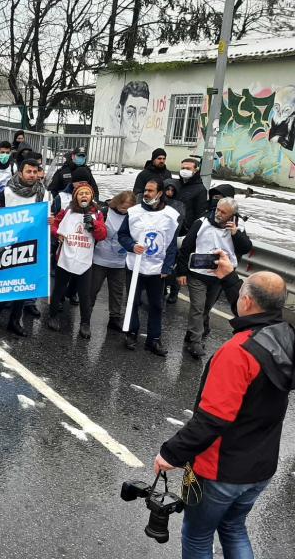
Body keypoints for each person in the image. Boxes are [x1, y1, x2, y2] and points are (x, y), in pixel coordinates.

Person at [154, 255, 291, 559]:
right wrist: (231, 280)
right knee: (233, 528)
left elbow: (212, 419)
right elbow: (256, 315)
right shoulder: (284, 336)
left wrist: (170, 454)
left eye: (242, 294)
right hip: (261, 467)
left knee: (198, 535)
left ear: (248, 302)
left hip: (222, 470)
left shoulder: (237, 354)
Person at [177, 197, 252, 359]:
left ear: (232, 215)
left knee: (205, 308)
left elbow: (246, 248)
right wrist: (181, 272)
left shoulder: (238, 227)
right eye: (217, 209)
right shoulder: (202, 222)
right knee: (197, 306)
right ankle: (195, 342)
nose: (218, 213)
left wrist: (236, 234)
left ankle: (192, 333)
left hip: (220, 276)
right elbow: (186, 247)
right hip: (198, 274)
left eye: (223, 212)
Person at [118, 179, 181, 356]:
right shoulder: (133, 212)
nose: (146, 193)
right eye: (145, 190)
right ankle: (131, 333)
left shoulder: (171, 215)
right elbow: (122, 235)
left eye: (151, 191)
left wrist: (167, 267)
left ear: (160, 193)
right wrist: (131, 246)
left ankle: (153, 339)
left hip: (157, 269)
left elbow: (171, 244)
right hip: (135, 266)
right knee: (133, 301)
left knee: (156, 305)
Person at [0, 159, 48, 335]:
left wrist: (49, 220)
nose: (32, 175)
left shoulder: (43, 193)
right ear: (20, 173)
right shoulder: (7, 192)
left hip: (30, 245)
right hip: (8, 245)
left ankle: (15, 320)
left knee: (23, 283)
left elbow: (47, 216)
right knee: (5, 282)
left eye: (35, 172)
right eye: (29, 171)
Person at [48, 181, 107, 338]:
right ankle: (53, 316)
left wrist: (94, 225)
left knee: (84, 294)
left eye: (87, 193)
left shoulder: (97, 214)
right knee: (59, 289)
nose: (84, 196)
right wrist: (57, 233)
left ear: (91, 196)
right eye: (81, 193)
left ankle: (85, 323)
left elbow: (102, 235)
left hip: (85, 260)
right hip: (65, 257)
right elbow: (54, 226)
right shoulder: (67, 210)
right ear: (76, 197)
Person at [91, 191, 135, 332]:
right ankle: (86, 314)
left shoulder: (133, 216)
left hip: (120, 261)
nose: (125, 210)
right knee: (92, 289)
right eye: (123, 207)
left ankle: (115, 317)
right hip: (99, 258)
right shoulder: (104, 212)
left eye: (128, 208)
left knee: (117, 292)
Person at [116, 81, 149, 161]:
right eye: (130, 112)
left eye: (142, 113)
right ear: (119, 113)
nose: (136, 124)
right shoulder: (107, 152)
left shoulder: (149, 153)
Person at [176, 158, 208, 234]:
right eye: (183, 168)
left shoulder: (201, 189)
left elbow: (200, 214)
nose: (184, 170)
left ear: (195, 171)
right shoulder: (176, 184)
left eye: (188, 168)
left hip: (186, 230)